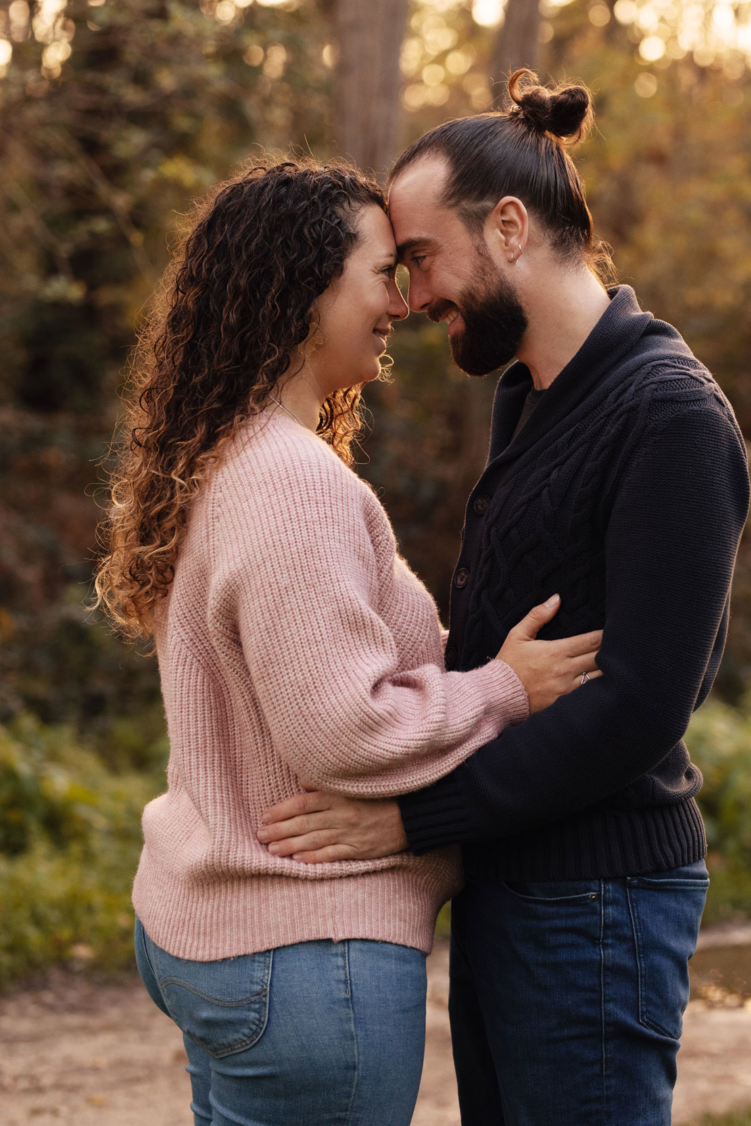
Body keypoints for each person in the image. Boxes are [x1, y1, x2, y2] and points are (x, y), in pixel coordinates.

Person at [257, 73, 751, 1126]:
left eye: (421, 258)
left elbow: (638, 707)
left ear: (512, 227)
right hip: (512, 883)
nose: (409, 294)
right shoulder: (529, 396)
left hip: (599, 902)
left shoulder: (668, 417)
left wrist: (408, 818)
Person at [95, 157, 602, 1126]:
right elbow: (343, 727)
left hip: (235, 934)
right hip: (304, 949)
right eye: (382, 273)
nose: (403, 303)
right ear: (303, 290)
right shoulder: (290, 483)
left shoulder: (224, 456)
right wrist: (503, 688)